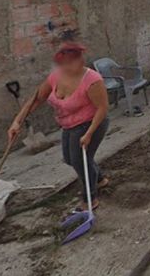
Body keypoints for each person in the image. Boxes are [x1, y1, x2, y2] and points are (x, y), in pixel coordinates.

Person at [8, 42, 110, 211]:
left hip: (92, 123)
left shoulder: (92, 80)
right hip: (68, 125)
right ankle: (99, 179)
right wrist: (17, 121)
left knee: (79, 162)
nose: (68, 66)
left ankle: (90, 199)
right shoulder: (55, 77)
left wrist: (89, 133)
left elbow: (102, 108)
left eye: (72, 61)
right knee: (70, 159)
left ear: (80, 60)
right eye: (64, 63)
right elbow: (37, 98)